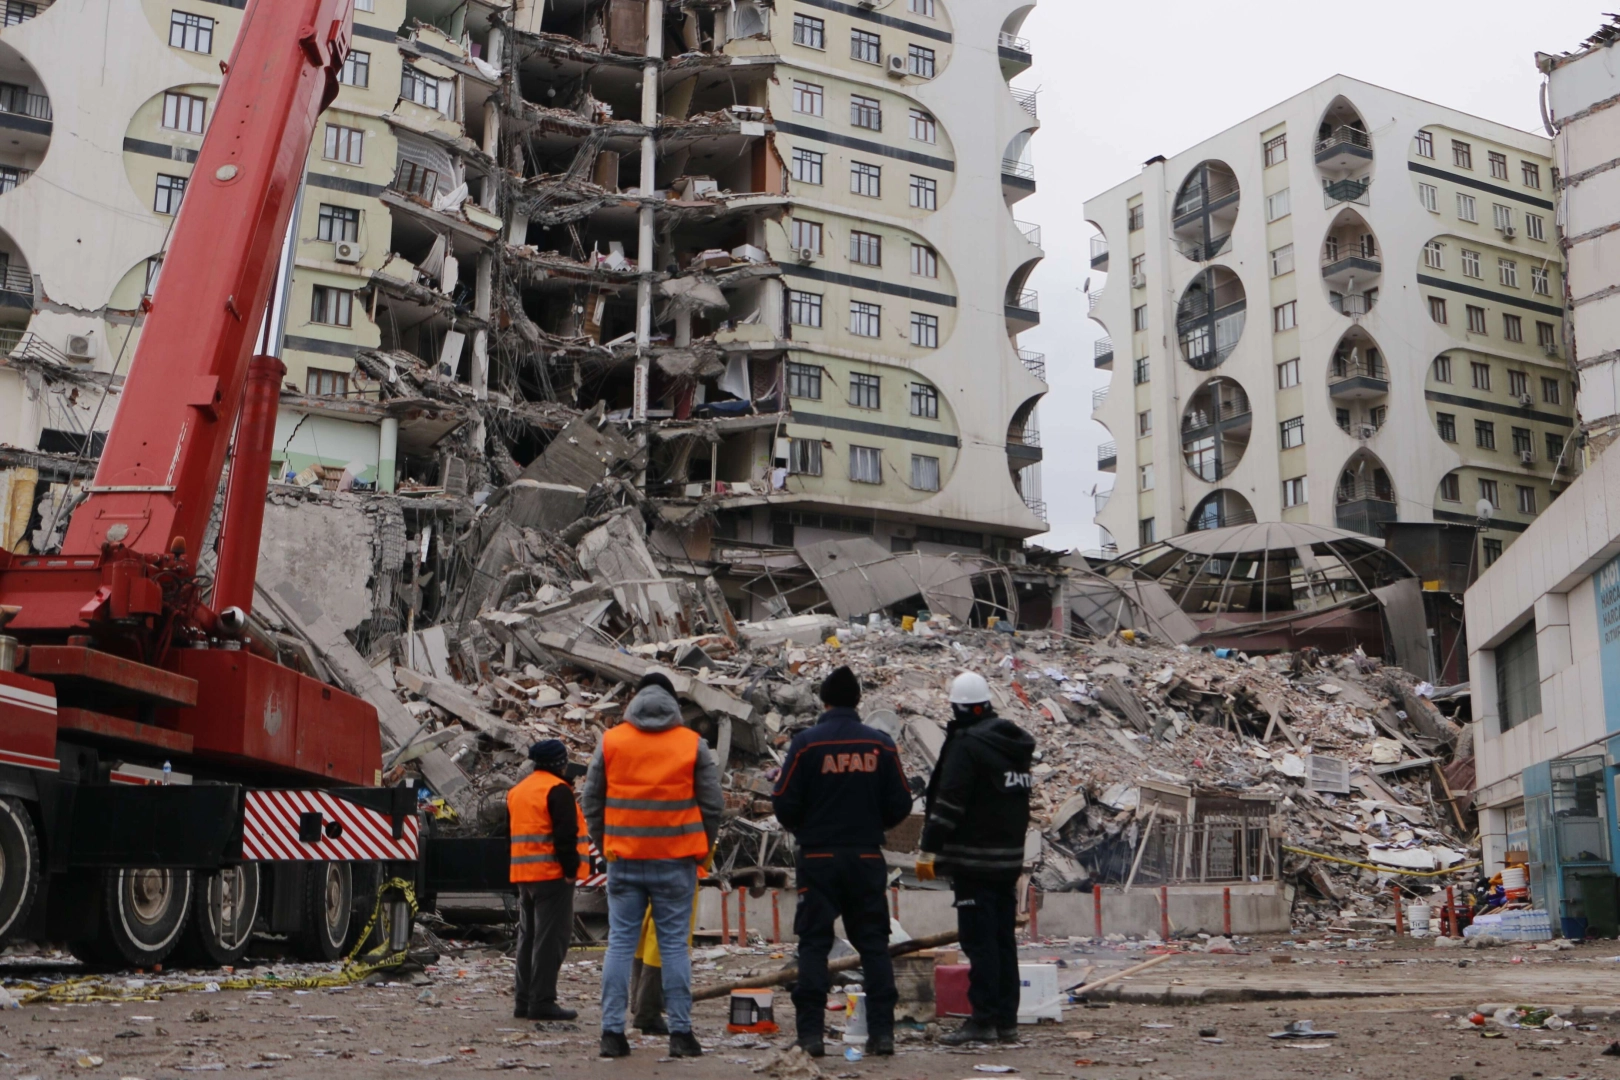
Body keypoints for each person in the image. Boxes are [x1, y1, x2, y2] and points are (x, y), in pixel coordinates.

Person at [772, 665, 912, 1058]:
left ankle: (811, 1036)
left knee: (814, 944)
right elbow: (901, 802)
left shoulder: (806, 745)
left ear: (824, 701)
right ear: (858, 700)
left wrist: (807, 827)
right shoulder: (880, 744)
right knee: (873, 944)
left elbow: (783, 802)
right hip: (866, 856)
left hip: (817, 857)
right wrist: (873, 825)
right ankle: (882, 1035)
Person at [583, 672, 723, 1059]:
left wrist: (606, 845)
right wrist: (701, 849)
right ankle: (681, 1034)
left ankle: (612, 1034)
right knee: (674, 947)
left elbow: (590, 801)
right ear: (674, 702)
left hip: (624, 862)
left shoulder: (611, 741)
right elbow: (712, 805)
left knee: (619, 945)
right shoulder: (692, 744)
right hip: (676, 863)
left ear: (635, 698)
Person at [917, 672, 1035, 1046]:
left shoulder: (967, 745)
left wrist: (929, 849)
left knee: (980, 943)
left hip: (973, 864)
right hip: (1007, 863)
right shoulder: (1013, 748)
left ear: (960, 709)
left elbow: (948, 803)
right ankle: (1006, 1021)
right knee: (1002, 942)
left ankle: (983, 1021)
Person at [507, 739, 590, 1021]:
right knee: (551, 939)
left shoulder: (518, 792)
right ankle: (542, 1001)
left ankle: (523, 1001)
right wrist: (571, 870)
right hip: (552, 875)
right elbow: (565, 835)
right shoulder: (558, 790)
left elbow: (510, 836)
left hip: (524, 876)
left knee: (528, 938)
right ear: (560, 764)